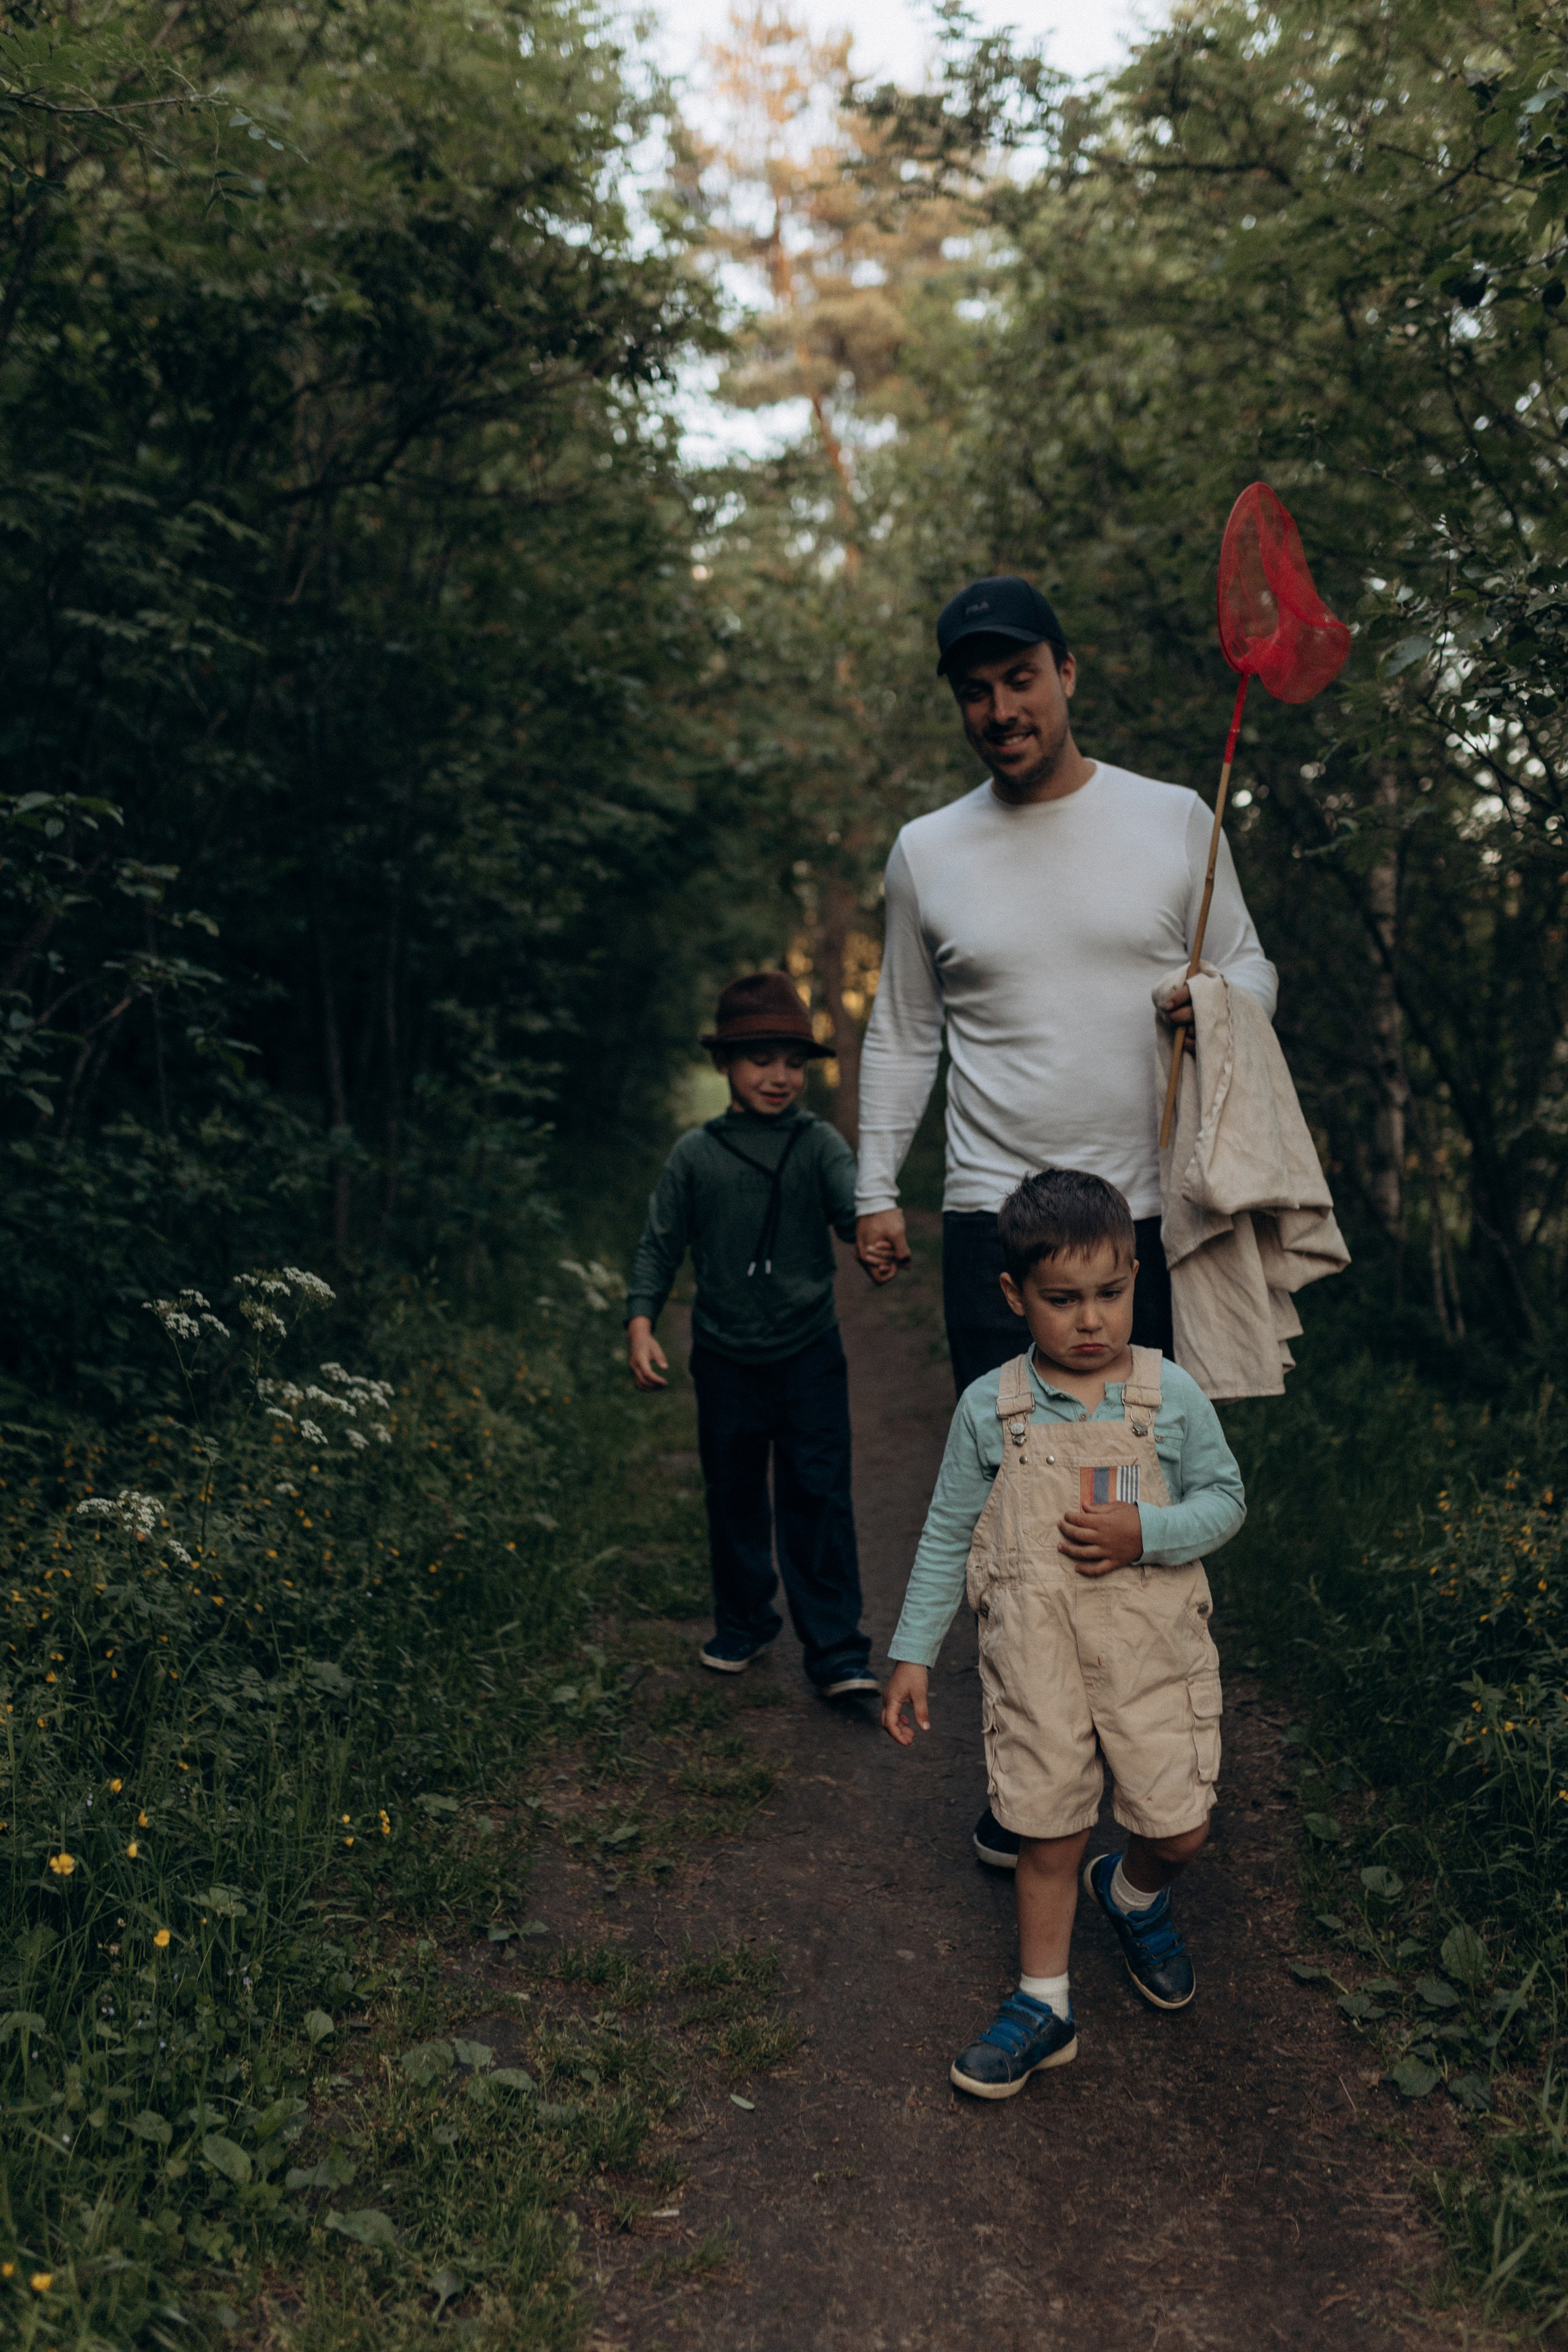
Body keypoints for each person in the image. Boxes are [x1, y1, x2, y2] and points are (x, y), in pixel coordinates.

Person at [853, 573, 1278, 1390]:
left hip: (1149, 1217)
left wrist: (1223, 1004)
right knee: (1011, 1483)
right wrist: (875, 1190)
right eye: (977, 693)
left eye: (1021, 679)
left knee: (1141, 1486)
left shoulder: (1178, 819)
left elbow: (1249, 964)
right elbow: (903, 1032)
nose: (1002, 711)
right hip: (992, 1224)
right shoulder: (926, 851)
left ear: (1067, 673)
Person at [881, 1168, 1245, 2100]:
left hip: (1151, 1657)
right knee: (1047, 1829)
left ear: (1135, 1278)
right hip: (1035, 1660)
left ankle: (1130, 1892)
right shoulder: (990, 1410)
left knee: (1183, 1826)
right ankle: (1044, 2005)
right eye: (1063, 1300)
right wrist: (914, 1651)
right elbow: (946, 1536)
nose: (1092, 1321)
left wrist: (1148, 1533)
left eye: (1111, 1294)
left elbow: (1227, 1503)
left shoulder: (1168, 1397)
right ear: (1014, 1297)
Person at [625, 971, 886, 1699]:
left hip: (809, 1352)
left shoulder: (818, 1144)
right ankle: (744, 1621)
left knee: (819, 1494)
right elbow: (659, 1245)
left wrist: (871, 1240)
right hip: (725, 1356)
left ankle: (836, 1651)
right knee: (735, 1494)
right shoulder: (695, 1155)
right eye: (760, 1059)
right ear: (725, 1065)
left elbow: (851, 1209)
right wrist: (641, 1321)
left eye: (793, 1062)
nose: (779, 1076)